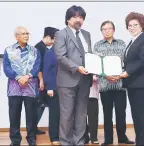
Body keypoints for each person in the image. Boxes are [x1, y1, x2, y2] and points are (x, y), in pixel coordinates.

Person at [53, 5, 93, 145]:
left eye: (81, 17)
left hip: (85, 80)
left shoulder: (86, 34)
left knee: (82, 113)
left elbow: (88, 55)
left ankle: (80, 141)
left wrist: (95, 66)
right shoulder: (61, 34)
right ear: (68, 19)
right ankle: (66, 142)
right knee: (67, 114)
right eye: (75, 16)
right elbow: (60, 56)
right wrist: (77, 68)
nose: (78, 20)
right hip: (67, 80)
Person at [93, 20, 134, 146]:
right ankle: (108, 140)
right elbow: (96, 65)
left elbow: (126, 63)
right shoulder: (97, 45)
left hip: (120, 84)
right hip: (105, 85)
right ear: (101, 31)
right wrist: (106, 75)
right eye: (104, 29)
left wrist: (119, 76)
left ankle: (122, 137)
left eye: (109, 28)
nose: (107, 31)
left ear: (114, 30)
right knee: (107, 114)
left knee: (121, 113)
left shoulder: (122, 44)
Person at [114, 12, 144, 145]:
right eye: (129, 25)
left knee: (143, 116)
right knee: (136, 116)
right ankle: (140, 142)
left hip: (141, 84)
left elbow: (143, 61)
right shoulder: (131, 41)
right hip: (132, 84)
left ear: (141, 25)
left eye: (135, 25)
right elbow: (129, 62)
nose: (132, 27)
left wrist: (127, 73)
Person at [3, 26, 41, 146]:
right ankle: (15, 140)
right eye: (23, 33)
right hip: (14, 88)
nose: (26, 35)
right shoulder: (9, 50)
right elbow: (6, 67)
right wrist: (18, 77)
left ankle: (31, 139)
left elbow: (37, 66)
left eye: (27, 33)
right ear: (16, 36)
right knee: (14, 115)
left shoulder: (35, 51)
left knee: (31, 115)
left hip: (30, 87)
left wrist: (28, 76)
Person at [34, 27, 59, 135]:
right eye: (54, 39)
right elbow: (40, 67)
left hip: (44, 80)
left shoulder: (43, 47)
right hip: (40, 81)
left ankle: (33, 128)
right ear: (48, 37)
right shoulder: (40, 48)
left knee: (42, 105)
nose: (54, 42)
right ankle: (32, 128)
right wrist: (41, 81)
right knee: (39, 105)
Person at [42, 27, 60, 145]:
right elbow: (47, 72)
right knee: (54, 113)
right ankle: (54, 137)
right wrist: (49, 88)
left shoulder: (64, 53)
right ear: (53, 40)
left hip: (65, 87)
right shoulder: (49, 53)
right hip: (53, 88)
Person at [84, 75, 100, 144]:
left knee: (93, 117)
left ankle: (94, 137)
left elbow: (98, 77)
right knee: (82, 117)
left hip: (93, 94)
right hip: (81, 93)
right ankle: (84, 137)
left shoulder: (96, 65)